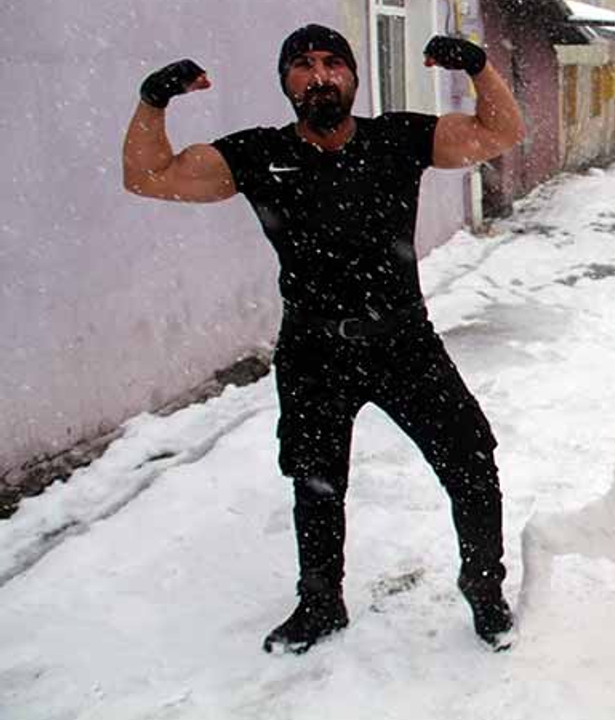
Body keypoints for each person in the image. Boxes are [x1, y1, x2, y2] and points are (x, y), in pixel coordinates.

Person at [122, 25, 525, 654]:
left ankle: (483, 586)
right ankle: (320, 602)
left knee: (471, 458)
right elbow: (148, 175)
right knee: (316, 482)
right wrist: (154, 99)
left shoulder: (397, 138)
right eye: (303, 66)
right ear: (286, 82)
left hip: (403, 340)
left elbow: (499, 133)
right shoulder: (258, 154)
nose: (320, 76)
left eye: (333, 63)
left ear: (353, 77)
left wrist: (477, 66)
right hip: (313, 350)